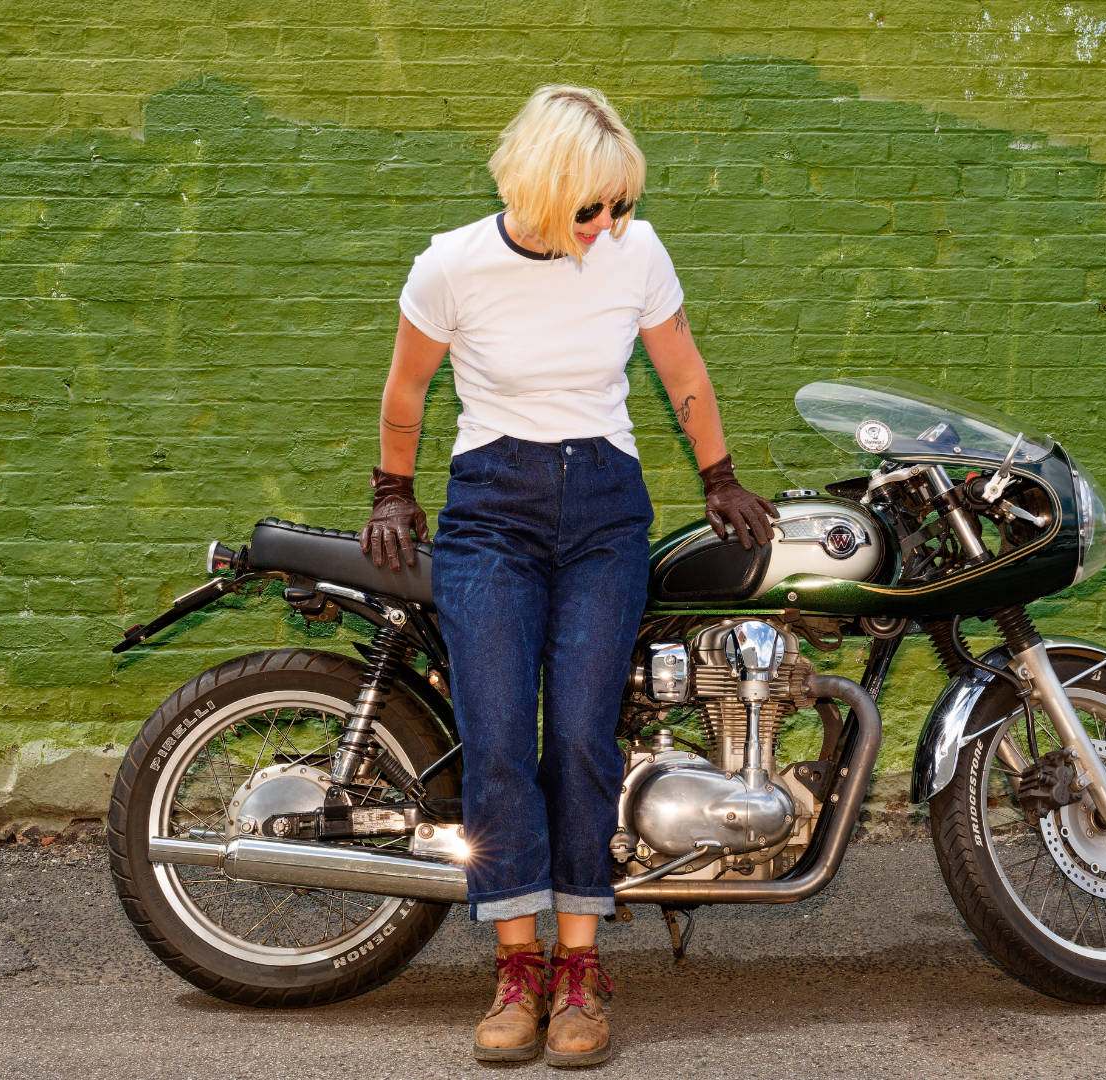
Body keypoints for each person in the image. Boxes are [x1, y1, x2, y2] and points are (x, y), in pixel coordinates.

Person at [360, 85, 777, 1067]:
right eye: (592, 208)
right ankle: (517, 971)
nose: (611, 225)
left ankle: (580, 973)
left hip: (602, 512)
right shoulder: (453, 264)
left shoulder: (637, 253)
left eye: (621, 205)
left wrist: (718, 474)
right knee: (500, 741)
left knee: (583, 740)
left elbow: (682, 371)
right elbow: (407, 387)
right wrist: (391, 489)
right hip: (490, 516)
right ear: (544, 190)